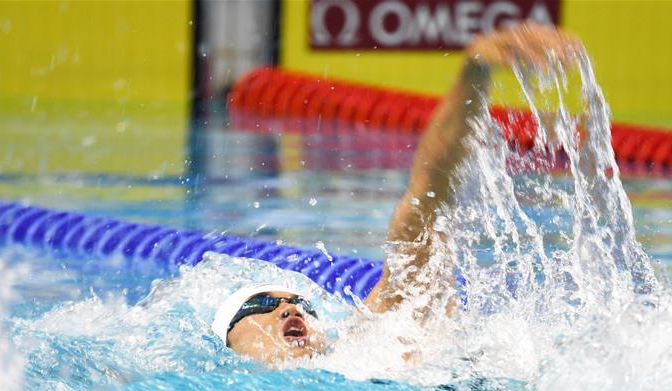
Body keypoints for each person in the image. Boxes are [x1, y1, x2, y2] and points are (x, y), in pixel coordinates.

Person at [212, 24, 581, 364]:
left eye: (303, 305)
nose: (291, 310)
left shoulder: (363, 351)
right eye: (262, 304)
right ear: (228, 341)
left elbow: (427, 195)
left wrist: (474, 75)